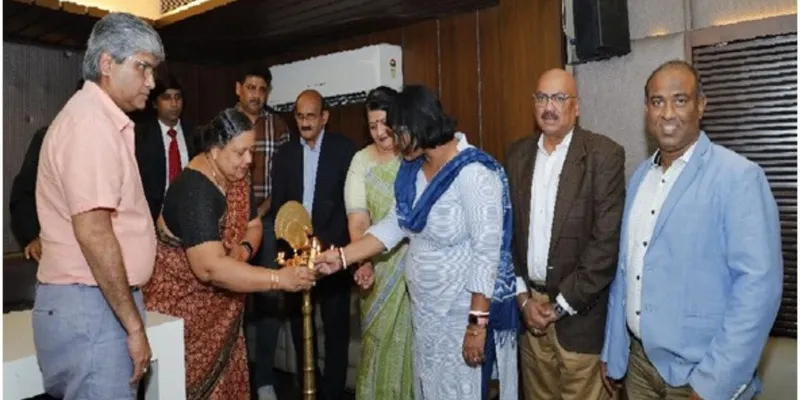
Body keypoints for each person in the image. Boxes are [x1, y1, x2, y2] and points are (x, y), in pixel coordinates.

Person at [315, 84, 518, 400]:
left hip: (459, 314)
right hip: (424, 313)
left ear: (417, 125)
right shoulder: (413, 170)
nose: (393, 142)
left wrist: (476, 326)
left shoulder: (473, 172)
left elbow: (486, 254)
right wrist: (341, 257)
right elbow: (393, 225)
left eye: (397, 132)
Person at [601, 60, 783, 400]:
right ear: (647, 110)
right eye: (657, 101)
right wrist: (614, 352)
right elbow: (625, 273)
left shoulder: (738, 177)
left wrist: (713, 384)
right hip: (639, 366)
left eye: (680, 100)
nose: (667, 113)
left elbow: (758, 290)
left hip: (700, 376)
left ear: (701, 105)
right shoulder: (640, 177)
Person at [142, 107, 316, 399]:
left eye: (252, 151)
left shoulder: (236, 175)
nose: (249, 160)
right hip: (183, 318)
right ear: (215, 150)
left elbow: (254, 225)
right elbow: (210, 269)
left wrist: (243, 251)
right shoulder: (195, 189)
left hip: (224, 315)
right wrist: (279, 280)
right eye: (240, 152)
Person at [33, 12, 163, 400]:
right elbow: (93, 231)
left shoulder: (97, 120)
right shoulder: (90, 125)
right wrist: (133, 326)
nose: (151, 82)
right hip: (93, 305)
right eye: (142, 67)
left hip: (95, 302)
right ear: (107, 63)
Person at [505, 68, 625, 400]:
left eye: (559, 98)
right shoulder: (516, 155)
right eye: (541, 97)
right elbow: (507, 236)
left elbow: (605, 246)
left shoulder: (603, 155)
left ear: (577, 106)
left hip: (580, 320)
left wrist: (558, 308)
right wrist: (523, 300)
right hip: (530, 319)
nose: (549, 107)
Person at [271, 89, 356, 400]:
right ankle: (310, 386)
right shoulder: (284, 155)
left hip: (332, 250)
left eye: (310, 116)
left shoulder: (344, 150)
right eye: (299, 116)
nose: (304, 122)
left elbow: (349, 206)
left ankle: (332, 392)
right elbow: (280, 207)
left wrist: (326, 243)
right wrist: (293, 244)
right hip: (295, 253)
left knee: (336, 327)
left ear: (324, 117)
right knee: (299, 324)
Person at [344, 86, 414, 399]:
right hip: (378, 268)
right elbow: (359, 220)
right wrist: (363, 262)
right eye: (372, 126)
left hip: (417, 268)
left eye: (385, 123)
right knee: (377, 347)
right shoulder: (361, 161)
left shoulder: (414, 155)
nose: (379, 132)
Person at [231, 67, 291, 400]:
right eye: (250, 87)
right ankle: (235, 375)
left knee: (269, 297)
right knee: (232, 300)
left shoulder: (277, 125)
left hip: (267, 221)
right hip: (230, 223)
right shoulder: (225, 123)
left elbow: (283, 176)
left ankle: (265, 378)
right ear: (238, 88)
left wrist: (262, 210)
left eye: (262, 89)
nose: (256, 94)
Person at [9, 79, 85, 261]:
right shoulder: (49, 138)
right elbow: (23, 194)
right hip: (60, 250)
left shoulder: (124, 140)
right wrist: (34, 236)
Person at [135, 73, 196, 221]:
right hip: (152, 216)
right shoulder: (140, 136)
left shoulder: (195, 134)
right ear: (155, 103)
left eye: (178, 97)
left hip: (189, 215)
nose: (174, 104)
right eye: (166, 98)